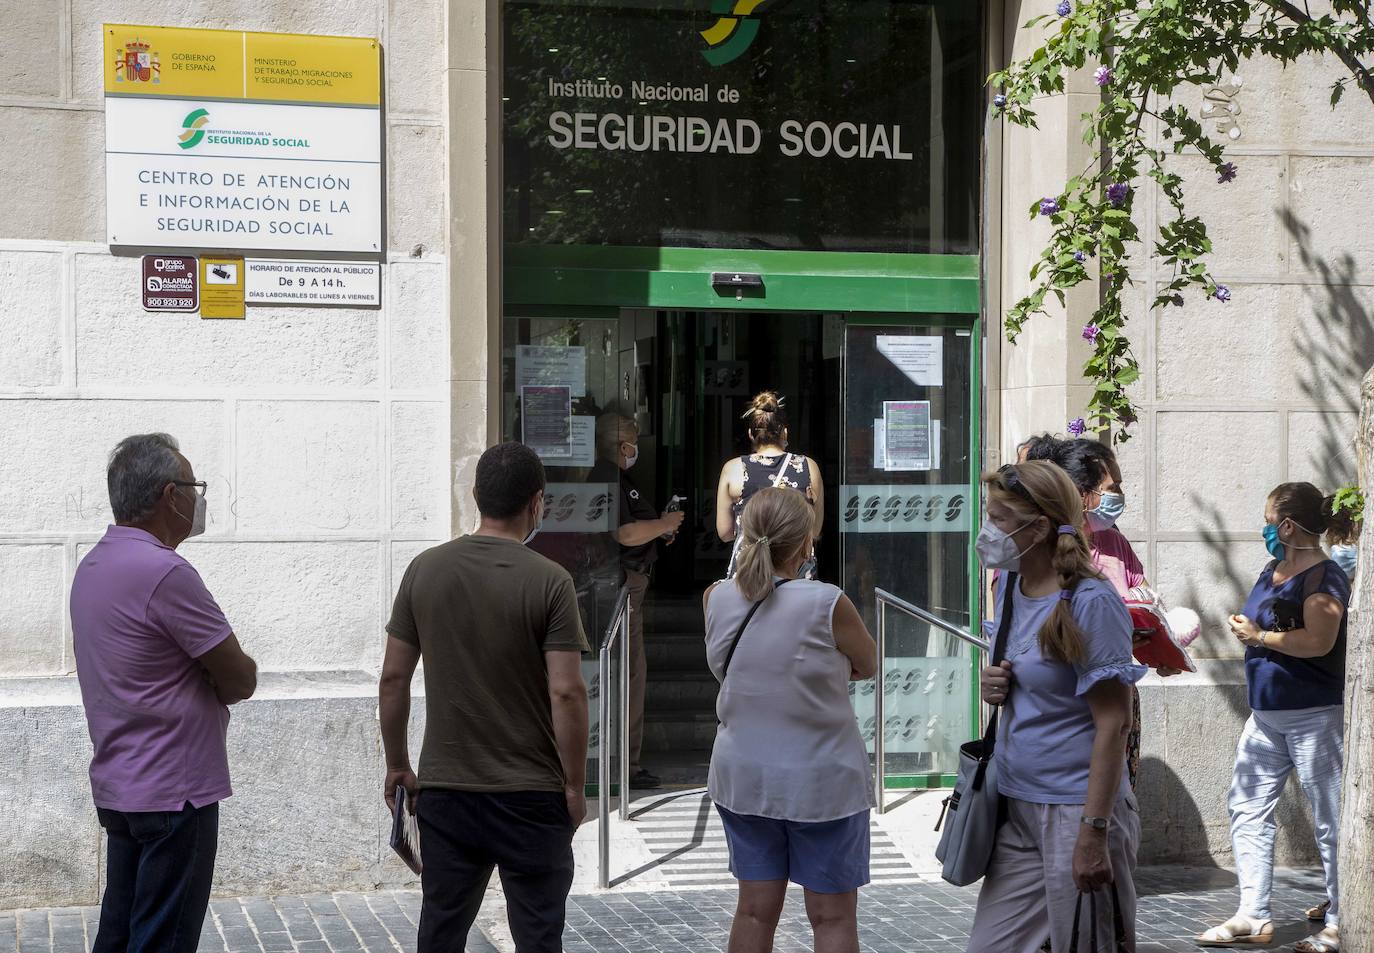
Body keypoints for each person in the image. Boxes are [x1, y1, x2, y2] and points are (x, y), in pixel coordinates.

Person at [379, 442, 591, 953]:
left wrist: (398, 764)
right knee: (539, 935)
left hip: (448, 789)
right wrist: (575, 787)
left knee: (441, 930)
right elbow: (566, 691)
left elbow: (393, 678)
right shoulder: (551, 581)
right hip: (531, 793)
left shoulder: (424, 569)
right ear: (536, 503)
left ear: (475, 495)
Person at [72, 433, 258, 953]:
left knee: (120, 931)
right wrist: (218, 675)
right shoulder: (166, 572)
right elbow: (239, 678)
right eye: (194, 486)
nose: (198, 499)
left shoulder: (93, 566)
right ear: (168, 496)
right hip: (176, 789)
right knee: (163, 938)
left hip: (123, 780)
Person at [968, 462, 1145, 953]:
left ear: (1039, 526)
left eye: (1000, 518)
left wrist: (1093, 832)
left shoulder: (1091, 601)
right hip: (1017, 802)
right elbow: (1029, 674)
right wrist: (996, 685)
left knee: (1087, 944)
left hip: (1076, 810)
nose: (989, 530)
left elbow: (1114, 723)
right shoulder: (1009, 585)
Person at [704, 487, 877, 953]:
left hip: (744, 777)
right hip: (822, 781)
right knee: (832, 918)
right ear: (806, 545)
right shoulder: (827, 602)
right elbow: (868, 663)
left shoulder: (715, 598)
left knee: (754, 912)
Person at [1198, 482, 1355, 953]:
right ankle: (1253, 913)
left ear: (1286, 525)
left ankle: (1343, 918)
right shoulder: (1273, 570)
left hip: (1314, 716)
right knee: (1246, 809)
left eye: (1268, 519)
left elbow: (1318, 642)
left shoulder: (1325, 578)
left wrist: (1260, 637)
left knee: (1330, 819)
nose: (1264, 527)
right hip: (1265, 715)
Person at [588, 413, 684, 790]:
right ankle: (625, 764)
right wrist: (662, 526)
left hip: (624, 582)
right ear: (622, 445)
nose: (636, 448)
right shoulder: (608, 477)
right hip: (620, 583)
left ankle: (624, 760)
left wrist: (659, 528)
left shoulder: (614, 478)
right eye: (633, 441)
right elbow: (625, 533)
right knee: (629, 672)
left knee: (630, 671)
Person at [715, 391, 824, 578]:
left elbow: (725, 532)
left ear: (750, 434)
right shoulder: (808, 467)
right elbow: (814, 530)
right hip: (796, 572)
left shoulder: (733, 469)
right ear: (785, 432)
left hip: (750, 572)